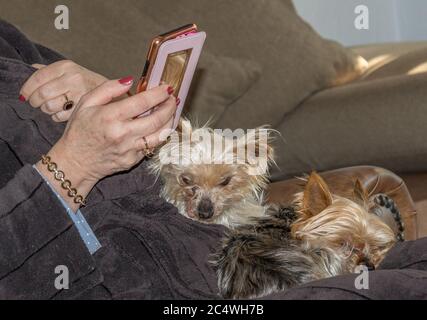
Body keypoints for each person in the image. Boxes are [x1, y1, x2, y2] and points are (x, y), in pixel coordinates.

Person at [0, 19, 426, 300]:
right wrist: (77, 161)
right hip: (157, 280)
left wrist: (106, 95)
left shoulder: (9, 39)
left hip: (219, 252)